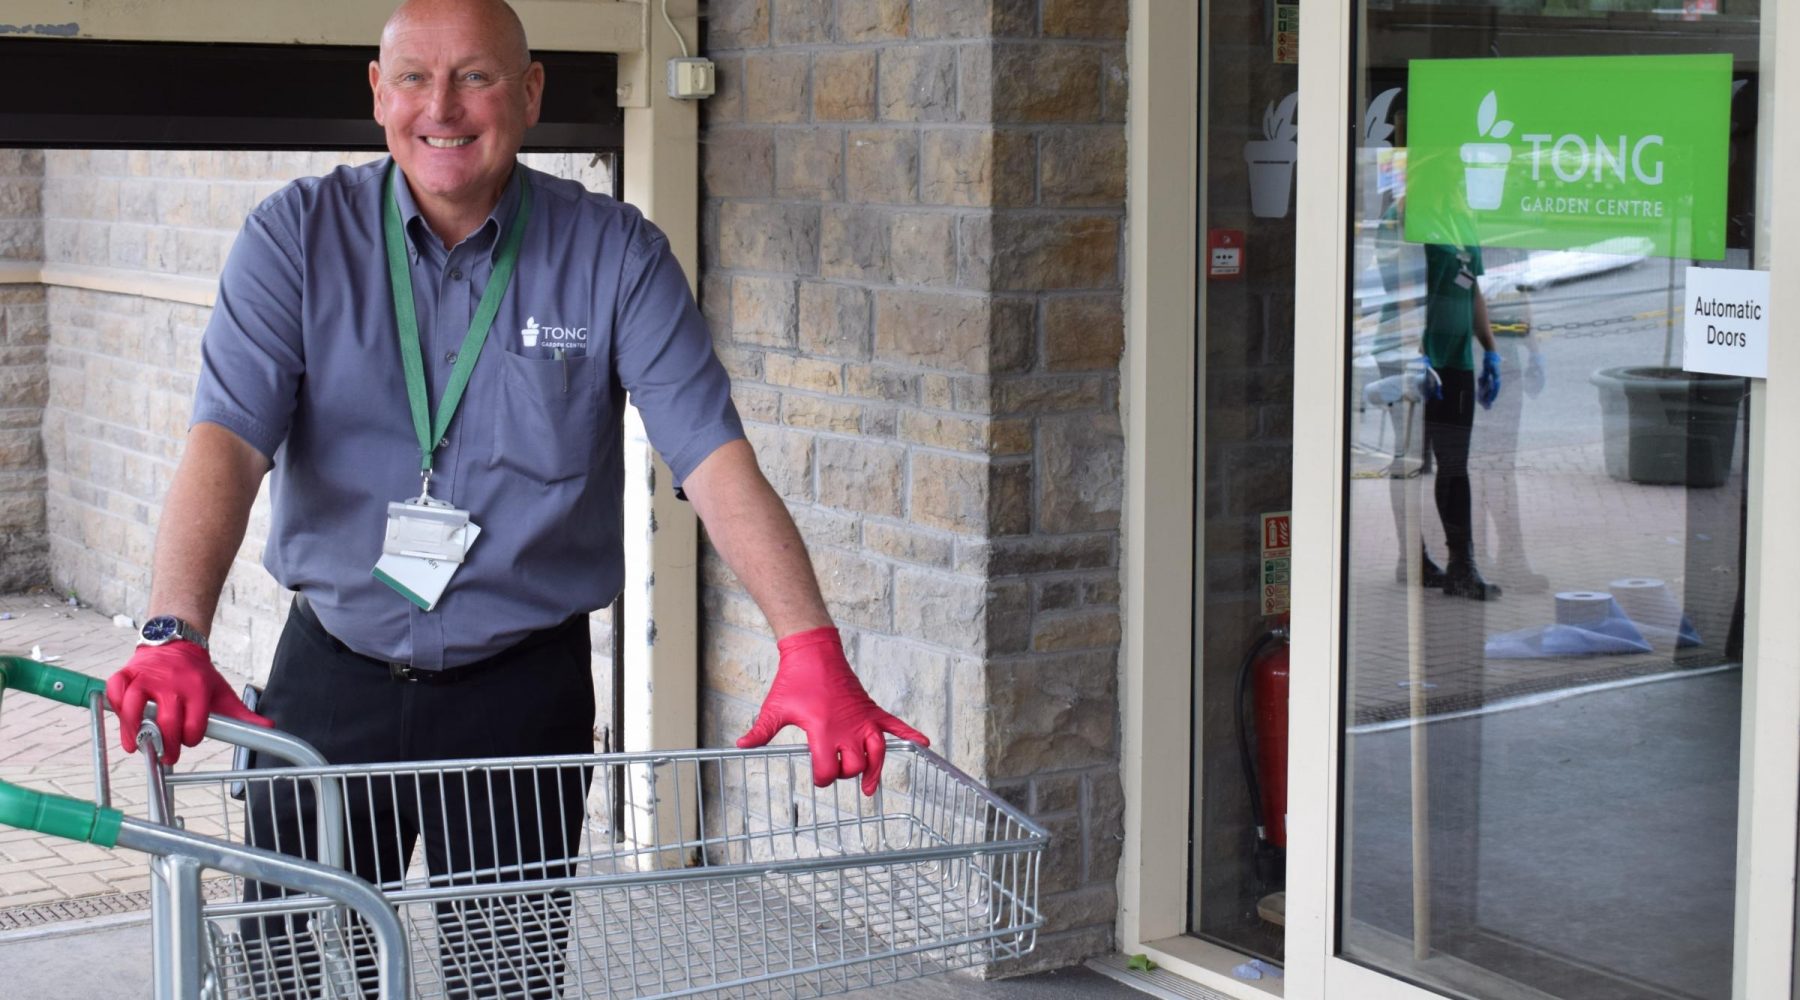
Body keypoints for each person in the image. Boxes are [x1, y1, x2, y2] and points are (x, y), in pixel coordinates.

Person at [102, 0, 926, 993]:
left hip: (518, 695)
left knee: (507, 978)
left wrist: (811, 648)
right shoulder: (296, 237)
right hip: (330, 678)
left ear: (530, 92)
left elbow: (711, 456)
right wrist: (171, 627)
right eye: (414, 78)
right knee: (291, 968)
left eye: (477, 77)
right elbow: (225, 443)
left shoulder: (615, 256)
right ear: (377, 93)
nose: (442, 108)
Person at [1416, 240, 1504, 600]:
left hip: (1456, 363)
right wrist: (1411, 351)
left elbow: (1473, 290)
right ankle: (1414, 557)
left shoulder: (1463, 224)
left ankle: (1461, 565)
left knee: (1454, 464)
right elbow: (1400, 289)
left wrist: (1490, 350)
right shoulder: (1409, 219)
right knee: (1409, 465)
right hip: (1418, 362)